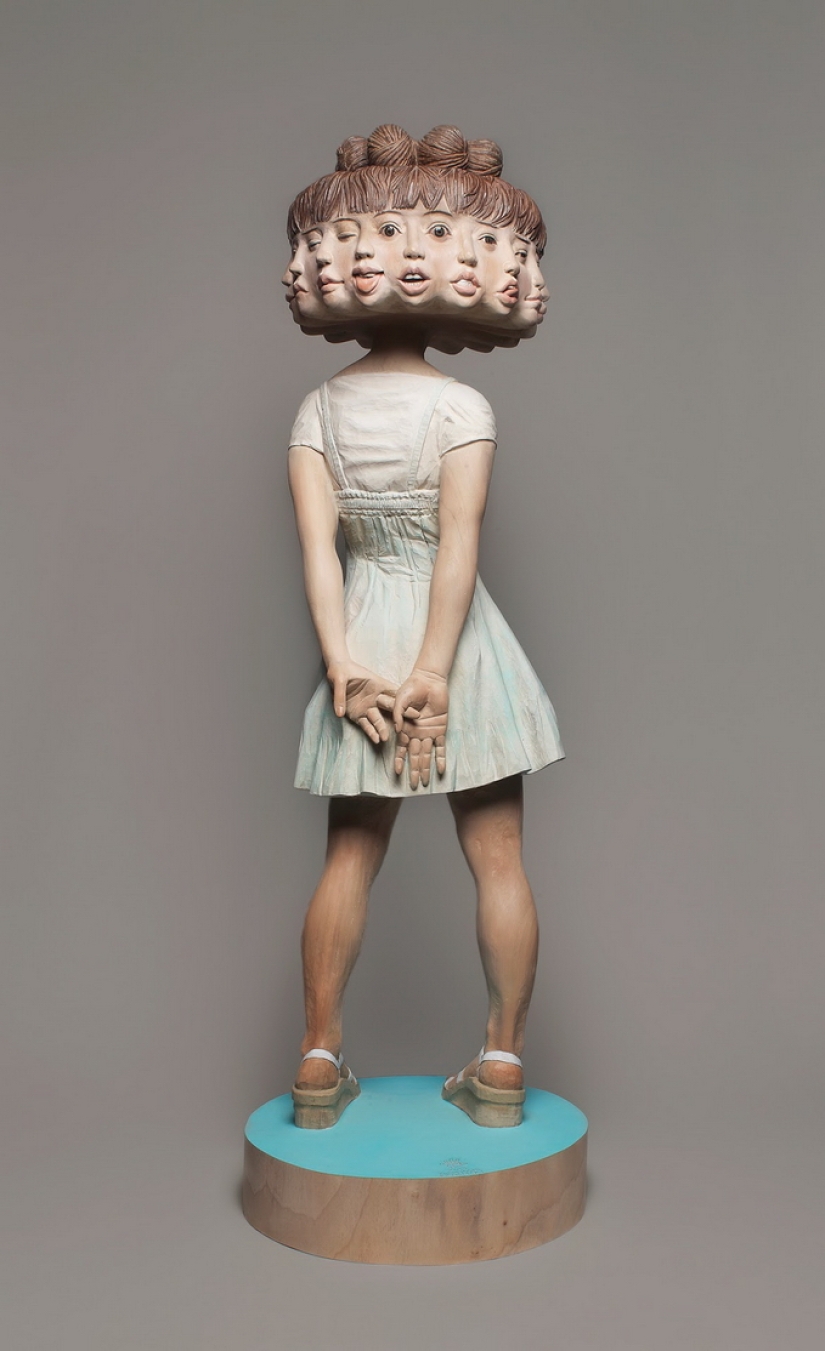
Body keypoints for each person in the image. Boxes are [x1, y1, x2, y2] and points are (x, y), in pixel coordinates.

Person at [285, 126, 563, 1129]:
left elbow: (321, 553)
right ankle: (502, 1066)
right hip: (461, 651)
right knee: (498, 860)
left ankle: (319, 1060)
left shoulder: (318, 409)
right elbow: (459, 545)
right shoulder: (461, 408)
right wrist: (436, 675)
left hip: (365, 634)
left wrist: (343, 664)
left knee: (348, 859)